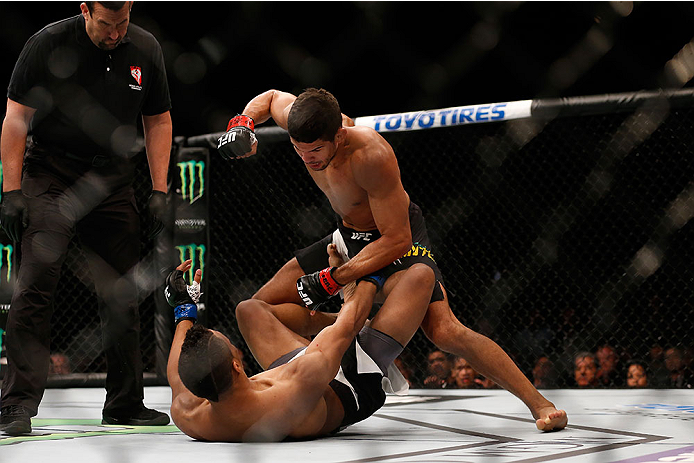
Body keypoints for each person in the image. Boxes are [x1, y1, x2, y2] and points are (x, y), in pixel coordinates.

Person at [216, 88, 567, 431]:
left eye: (315, 150)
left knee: (445, 331)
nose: (307, 158)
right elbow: (272, 97)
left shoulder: (369, 154)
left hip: (395, 237)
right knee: (260, 304)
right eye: (299, 149)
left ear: (338, 135)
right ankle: (343, 343)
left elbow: (396, 239)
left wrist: (334, 278)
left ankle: (540, 403)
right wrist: (242, 124)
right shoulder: (301, 122)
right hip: (348, 233)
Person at [0, 1, 172, 436]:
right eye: (106, 24)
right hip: (52, 172)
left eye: (123, 23)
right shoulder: (48, 43)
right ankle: (16, 403)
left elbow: (158, 120)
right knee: (37, 279)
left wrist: (159, 190)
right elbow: (16, 118)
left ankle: (125, 402)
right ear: (85, 11)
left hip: (113, 175)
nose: (116, 34)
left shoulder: (146, 48)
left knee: (123, 289)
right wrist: (12, 192)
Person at [165, 244, 437, 441]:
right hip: (349, 385)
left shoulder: (188, 412)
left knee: (248, 310)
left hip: (302, 366)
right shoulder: (290, 392)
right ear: (237, 365)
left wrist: (183, 307)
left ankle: (336, 309)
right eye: (231, 344)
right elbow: (348, 325)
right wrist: (362, 269)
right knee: (422, 275)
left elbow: (179, 367)